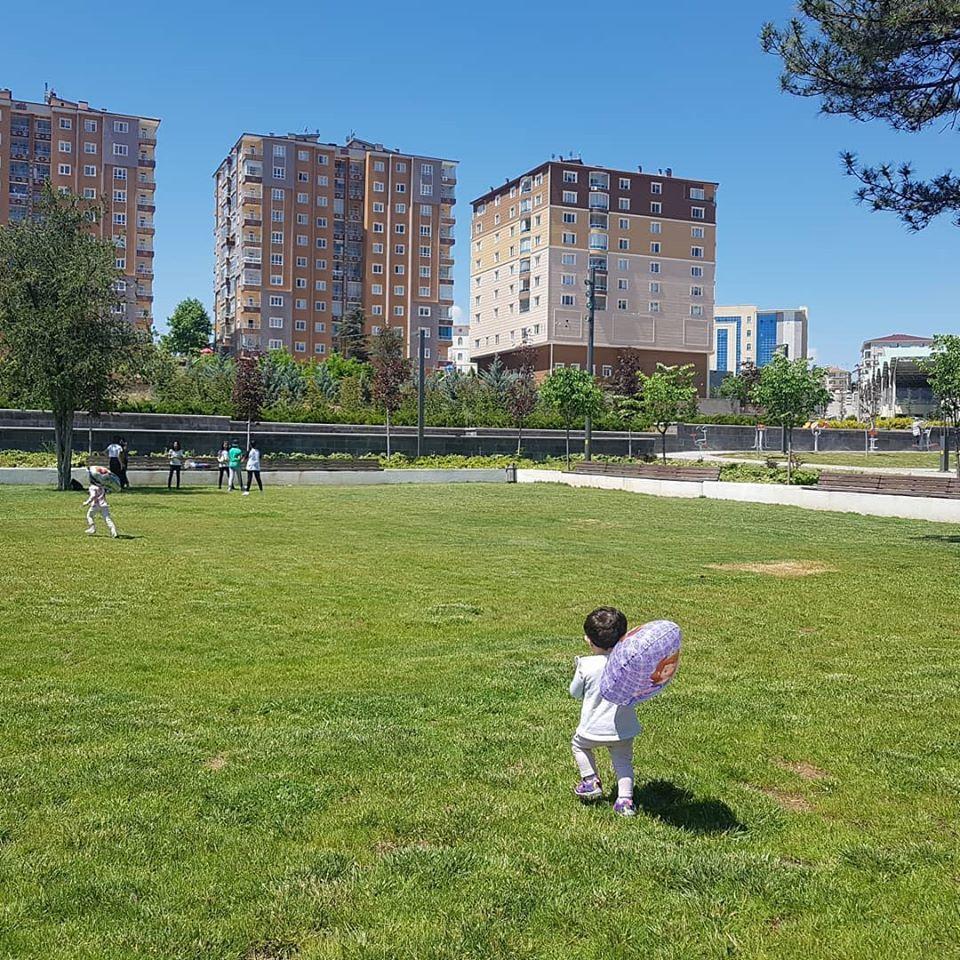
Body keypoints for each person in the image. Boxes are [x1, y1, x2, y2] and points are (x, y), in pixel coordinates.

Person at [569, 606, 640, 818]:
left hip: (592, 729)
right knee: (623, 761)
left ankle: (590, 780)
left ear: (589, 640)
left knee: (578, 746)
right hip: (623, 729)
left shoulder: (586, 665)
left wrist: (579, 673)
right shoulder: (628, 664)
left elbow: (574, 693)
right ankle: (625, 801)